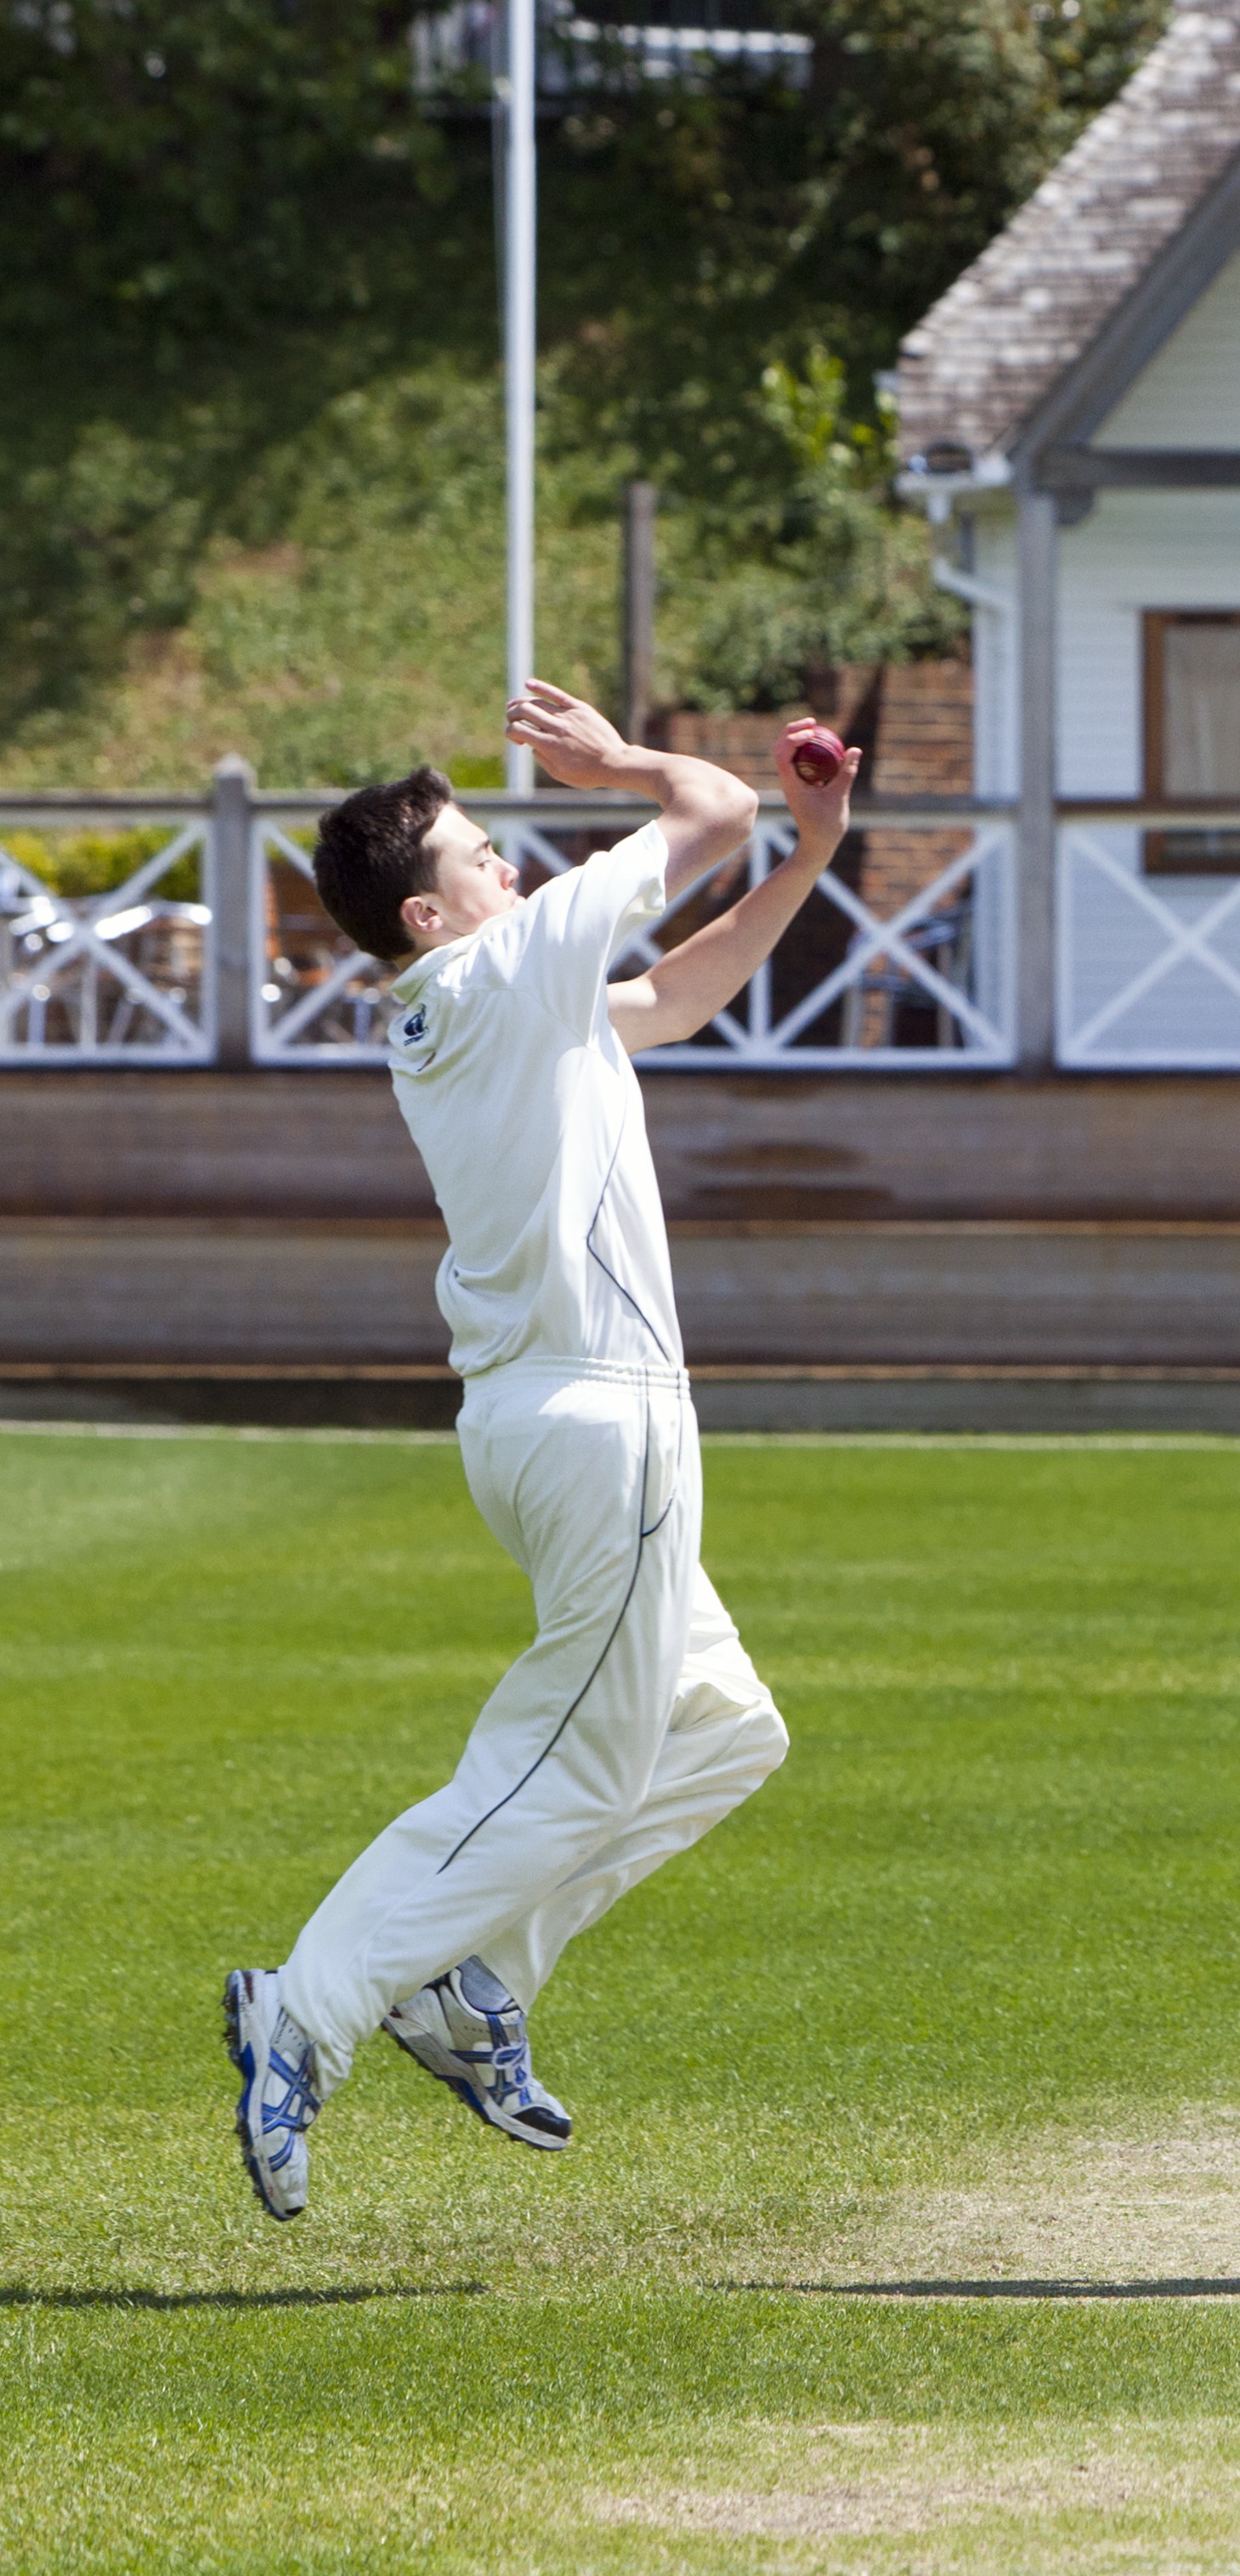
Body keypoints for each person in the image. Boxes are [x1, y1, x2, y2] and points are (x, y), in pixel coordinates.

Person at [224, 690, 852, 2220]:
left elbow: (679, 998)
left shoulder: (492, 1004)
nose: (514, 864)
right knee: (567, 1772)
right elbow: (708, 806)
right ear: (431, 910)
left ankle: (478, 1980)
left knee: (727, 1728)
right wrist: (623, 766)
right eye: (484, 852)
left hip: (539, 1420)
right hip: (596, 1421)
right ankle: (307, 2007)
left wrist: (810, 855)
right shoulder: (499, 967)